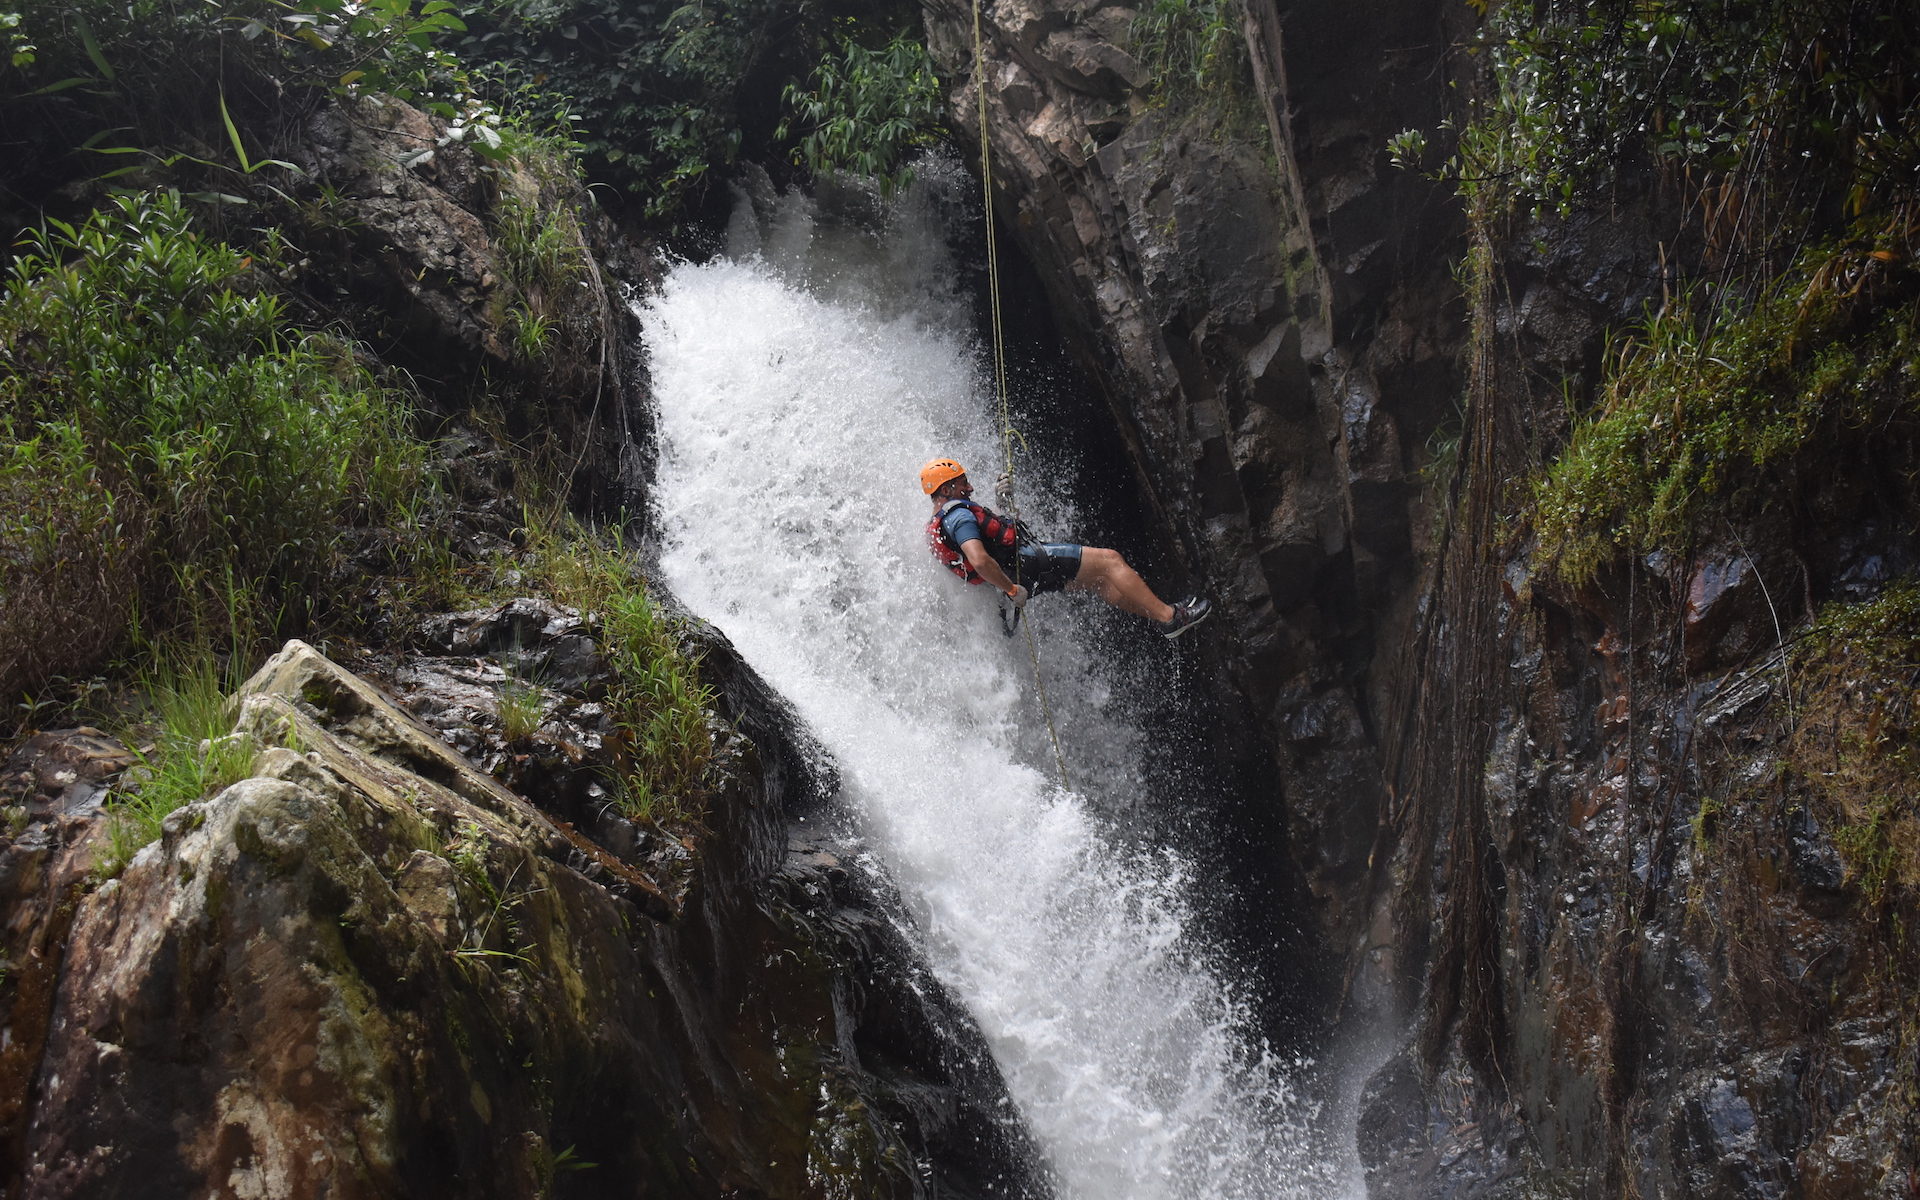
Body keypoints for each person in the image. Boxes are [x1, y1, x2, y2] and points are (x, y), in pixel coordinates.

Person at [919, 457, 1212, 638]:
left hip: (1018, 571)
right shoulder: (958, 517)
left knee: (1098, 581)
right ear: (946, 489)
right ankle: (1170, 618)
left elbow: (988, 544)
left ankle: (1162, 616)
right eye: (963, 483)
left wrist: (1001, 504)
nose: (969, 488)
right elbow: (980, 560)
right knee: (1110, 561)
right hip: (1024, 565)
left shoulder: (942, 519)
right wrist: (1011, 589)